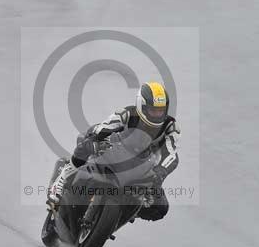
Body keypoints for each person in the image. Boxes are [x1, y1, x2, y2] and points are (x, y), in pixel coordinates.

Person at [47, 82, 179, 221]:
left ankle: (126, 213)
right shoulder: (127, 113)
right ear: (142, 106)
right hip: (115, 152)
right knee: (86, 145)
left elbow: (172, 154)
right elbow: (105, 126)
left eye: (161, 110)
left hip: (144, 167)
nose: (158, 114)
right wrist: (97, 139)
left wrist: (160, 172)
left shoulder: (171, 127)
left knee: (160, 208)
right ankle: (61, 179)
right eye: (153, 110)